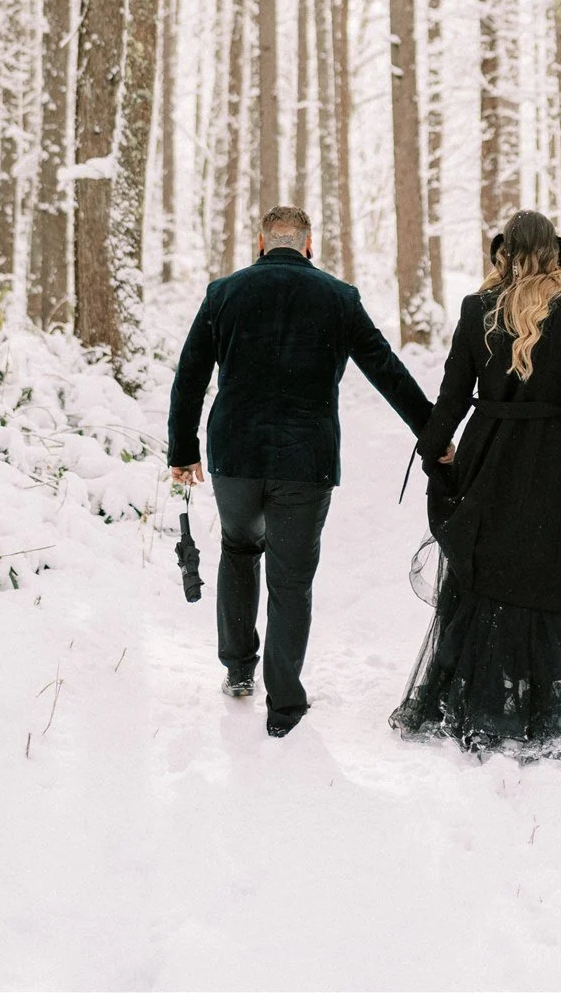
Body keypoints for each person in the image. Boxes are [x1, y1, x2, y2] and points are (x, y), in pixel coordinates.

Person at [391, 207, 561, 760]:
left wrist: (434, 453)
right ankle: (541, 706)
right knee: (547, 574)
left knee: (491, 574)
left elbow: (453, 396)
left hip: (491, 460)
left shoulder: (478, 308)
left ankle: (485, 700)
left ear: (503, 254)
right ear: (555, 254)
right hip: (558, 466)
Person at [168, 203, 434, 737]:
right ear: (309, 245)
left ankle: (239, 671)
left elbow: (190, 374)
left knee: (239, 552)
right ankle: (284, 704)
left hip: (235, 458)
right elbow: (386, 368)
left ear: (262, 243)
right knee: (291, 578)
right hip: (306, 462)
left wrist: (183, 451)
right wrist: (434, 434)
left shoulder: (223, 295)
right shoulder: (338, 298)